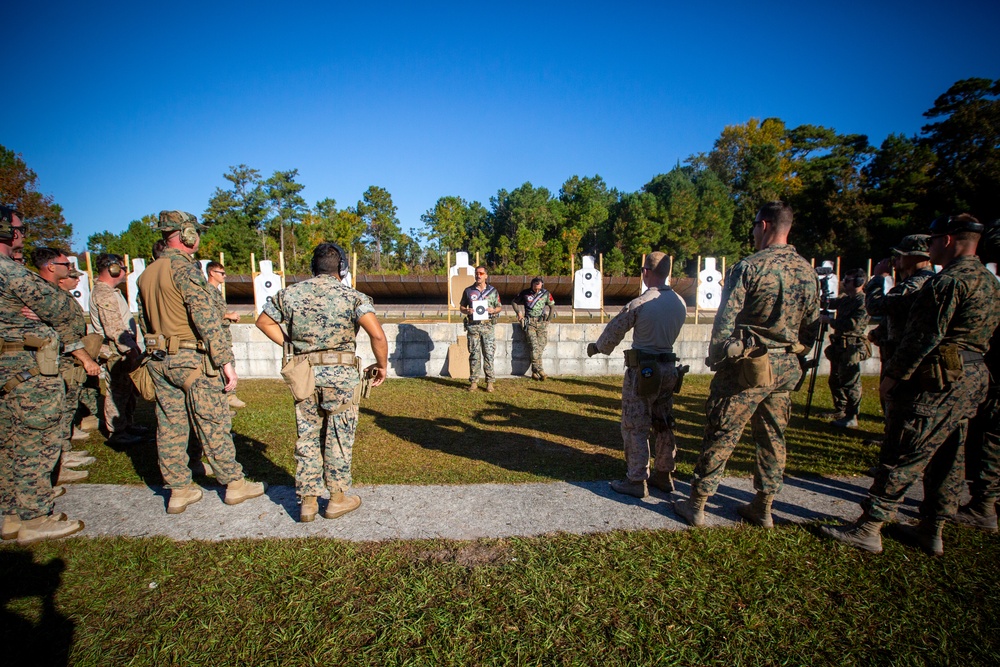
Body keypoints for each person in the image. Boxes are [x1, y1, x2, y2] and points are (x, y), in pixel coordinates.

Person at [821, 214, 1000, 555]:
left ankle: (871, 526)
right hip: (974, 376)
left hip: (938, 378)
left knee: (905, 450)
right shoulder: (990, 282)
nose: (931, 247)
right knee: (950, 454)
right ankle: (933, 527)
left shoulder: (948, 282)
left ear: (947, 240)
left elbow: (923, 338)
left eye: (934, 240)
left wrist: (893, 377)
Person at [675, 201, 819, 528]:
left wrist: (717, 358)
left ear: (765, 225)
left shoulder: (750, 267)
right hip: (786, 369)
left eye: (755, 225)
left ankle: (697, 503)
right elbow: (813, 324)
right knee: (773, 436)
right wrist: (794, 348)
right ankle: (764, 506)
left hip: (749, 366)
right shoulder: (807, 271)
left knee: (723, 430)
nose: (753, 232)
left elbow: (725, 322)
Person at [136, 210, 266, 514]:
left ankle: (179, 489)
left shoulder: (146, 274)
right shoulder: (185, 270)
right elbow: (206, 319)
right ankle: (234, 483)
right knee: (213, 421)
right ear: (186, 235)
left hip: (160, 358)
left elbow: (143, 322)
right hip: (191, 359)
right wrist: (225, 362)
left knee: (170, 424)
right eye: (196, 232)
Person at [255, 242, 388, 522]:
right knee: (339, 437)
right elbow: (376, 334)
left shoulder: (290, 294)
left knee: (308, 436)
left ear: (313, 267)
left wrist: (290, 346)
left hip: (305, 373)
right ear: (341, 267)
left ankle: (308, 502)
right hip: (341, 376)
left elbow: (263, 322)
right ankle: (337, 499)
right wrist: (382, 366)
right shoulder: (353, 296)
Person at [1, 205, 90, 544]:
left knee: (7, 444)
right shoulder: (11, 271)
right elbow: (62, 312)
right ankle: (35, 516)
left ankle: (9, 515)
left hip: (8, 371)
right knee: (35, 443)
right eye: (18, 229)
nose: (20, 234)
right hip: (28, 371)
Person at [586, 252, 686, 497]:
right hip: (669, 368)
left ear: (645, 272)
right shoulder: (679, 302)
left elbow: (615, 330)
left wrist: (598, 348)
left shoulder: (641, 302)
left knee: (635, 425)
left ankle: (636, 479)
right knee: (664, 423)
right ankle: (664, 474)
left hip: (644, 371)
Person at [30, 249, 102, 485]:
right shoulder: (42, 293)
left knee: (66, 409)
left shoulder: (57, 295)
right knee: (57, 413)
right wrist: (86, 359)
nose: (75, 276)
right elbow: (63, 332)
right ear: (52, 268)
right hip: (56, 359)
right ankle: (58, 465)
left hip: (63, 358)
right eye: (67, 268)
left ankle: (63, 454)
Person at [864, 235, 935, 467]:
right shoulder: (914, 281)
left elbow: (877, 305)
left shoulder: (919, 282)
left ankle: (896, 465)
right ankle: (893, 448)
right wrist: (881, 331)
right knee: (893, 408)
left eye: (900, 255)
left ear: (916, 256)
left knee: (902, 410)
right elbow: (898, 313)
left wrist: (877, 278)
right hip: (895, 351)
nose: (895, 260)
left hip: (906, 358)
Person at [953, 218, 1000, 532]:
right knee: (988, 435)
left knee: (989, 437)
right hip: (986, 366)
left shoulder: (969, 278)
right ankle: (984, 503)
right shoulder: (989, 281)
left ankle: (984, 504)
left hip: (979, 367)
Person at [89, 253, 144, 445]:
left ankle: (127, 424)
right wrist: (129, 349)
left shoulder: (110, 291)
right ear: (112, 268)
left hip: (123, 348)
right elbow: (113, 327)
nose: (124, 271)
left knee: (127, 390)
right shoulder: (103, 293)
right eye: (122, 267)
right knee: (117, 392)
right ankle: (117, 432)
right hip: (116, 350)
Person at [820, 268, 870, 428]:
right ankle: (841, 410)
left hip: (852, 346)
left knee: (850, 383)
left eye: (848, 281)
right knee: (835, 380)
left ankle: (852, 415)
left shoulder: (862, 301)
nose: (844, 283)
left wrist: (829, 321)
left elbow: (853, 325)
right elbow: (828, 303)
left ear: (859, 282)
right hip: (839, 346)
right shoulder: (846, 299)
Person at [205, 261, 245, 409]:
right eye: (221, 273)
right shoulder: (207, 291)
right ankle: (228, 396)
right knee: (225, 366)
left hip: (223, 336)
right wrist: (228, 315)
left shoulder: (216, 292)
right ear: (211, 273)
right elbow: (208, 314)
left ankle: (228, 396)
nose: (224, 276)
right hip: (217, 337)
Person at [459, 266, 502, 392]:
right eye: (476, 273)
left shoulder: (493, 291)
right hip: (473, 326)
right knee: (474, 354)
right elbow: (461, 307)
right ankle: (473, 381)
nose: (478, 275)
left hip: (488, 326)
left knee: (489, 354)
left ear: (486, 276)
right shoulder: (468, 291)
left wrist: (493, 310)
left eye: (481, 273)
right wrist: (467, 310)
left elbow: (499, 307)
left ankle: (489, 382)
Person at [513, 277, 556, 380]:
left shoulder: (545, 293)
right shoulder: (525, 293)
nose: (537, 290)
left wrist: (548, 320)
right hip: (530, 323)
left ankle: (534, 372)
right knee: (534, 346)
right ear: (531, 285)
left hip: (541, 323)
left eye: (539, 288)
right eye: (535, 288)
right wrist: (519, 313)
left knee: (540, 347)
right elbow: (514, 302)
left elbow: (552, 306)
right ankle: (540, 370)